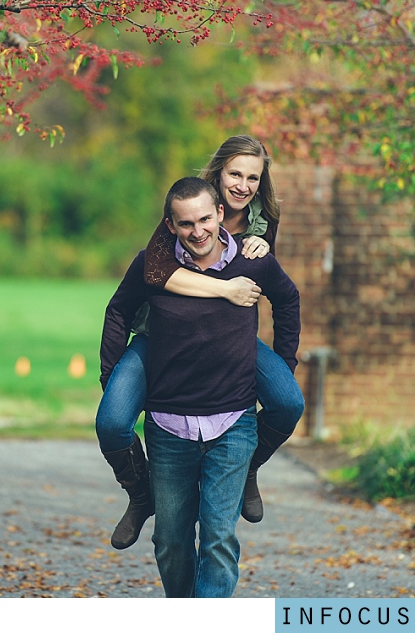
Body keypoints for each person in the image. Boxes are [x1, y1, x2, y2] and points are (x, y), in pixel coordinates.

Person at [95, 135, 304, 551]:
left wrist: (283, 362)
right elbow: (152, 274)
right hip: (162, 333)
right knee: (113, 421)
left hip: (227, 336)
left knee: (287, 400)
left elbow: (274, 287)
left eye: (252, 177)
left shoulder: (265, 220)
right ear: (218, 174)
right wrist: (222, 289)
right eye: (234, 174)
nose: (242, 184)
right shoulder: (189, 206)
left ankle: (247, 466)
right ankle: (141, 494)